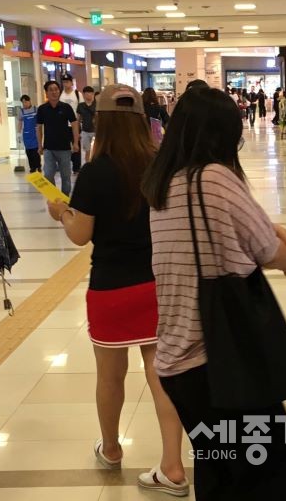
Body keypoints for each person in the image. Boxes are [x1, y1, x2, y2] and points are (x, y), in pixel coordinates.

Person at [141, 86, 286, 500]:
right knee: (274, 468)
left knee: (219, 470)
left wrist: (274, 233)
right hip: (217, 360)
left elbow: (226, 237)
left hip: (176, 363)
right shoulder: (214, 176)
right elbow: (267, 250)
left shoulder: (163, 183)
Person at [47, 85, 189, 498]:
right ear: (143, 121)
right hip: (158, 283)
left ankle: (110, 449)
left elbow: (80, 235)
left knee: (110, 376)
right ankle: (173, 466)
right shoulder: (162, 165)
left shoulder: (94, 173)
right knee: (161, 373)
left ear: (103, 122)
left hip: (110, 289)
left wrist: (61, 213)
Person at [36, 80, 80, 195]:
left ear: (59, 91)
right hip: (48, 148)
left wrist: (75, 142)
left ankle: (65, 199)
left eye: (56, 89)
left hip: (64, 148)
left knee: (66, 176)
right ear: (46, 93)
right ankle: (55, 197)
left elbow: (74, 124)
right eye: (51, 90)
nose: (54, 92)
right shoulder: (42, 109)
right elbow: (39, 127)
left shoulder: (66, 107)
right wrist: (40, 145)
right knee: (48, 174)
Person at [60, 74, 83, 174]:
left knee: (76, 145)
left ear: (71, 83)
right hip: (63, 125)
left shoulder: (77, 94)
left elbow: (81, 109)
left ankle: (76, 167)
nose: (65, 84)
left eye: (67, 82)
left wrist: (79, 122)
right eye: (64, 82)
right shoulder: (60, 94)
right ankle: (64, 165)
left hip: (75, 125)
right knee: (64, 146)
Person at [76, 86, 97, 166]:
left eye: (90, 93)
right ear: (84, 94)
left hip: (95, 132)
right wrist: (77, 133)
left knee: (96, 150)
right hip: (85, 131)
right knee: (87, 150)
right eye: (87, 93)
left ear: (93, 94)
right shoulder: (81, 106)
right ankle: (88, 166)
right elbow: (78, 120)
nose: (89, 95)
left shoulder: (97, 105)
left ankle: (95, 165)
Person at [19, 95, 40, 173]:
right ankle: (32, 167)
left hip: (35, 133)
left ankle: (38, 166)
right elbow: (20, 122)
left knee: (35, 151)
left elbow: (39, 122)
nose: (24, 104)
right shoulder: (21, 111)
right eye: (23, 102)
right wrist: (18, 133)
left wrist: (39, 131)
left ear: (29, 101)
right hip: (26, 134)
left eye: (25, 102)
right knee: (28, 151)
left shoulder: (36, 109)